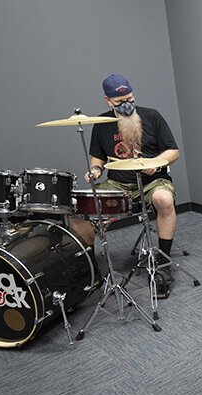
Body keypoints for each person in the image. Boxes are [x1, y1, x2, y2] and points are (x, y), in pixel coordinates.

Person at [82, 74, 180, 297]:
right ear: (108, 101)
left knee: (164, 200)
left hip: (153, 180)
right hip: (118, 183)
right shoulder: (102, 124)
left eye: (130, 99)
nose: (127, 105)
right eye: (120, 102)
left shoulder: (152, 116)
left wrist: (157, 163)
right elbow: (98, 157)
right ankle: (90, 270)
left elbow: (173, 151)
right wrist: (96, 170)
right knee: (83, 211)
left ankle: (163, 263)